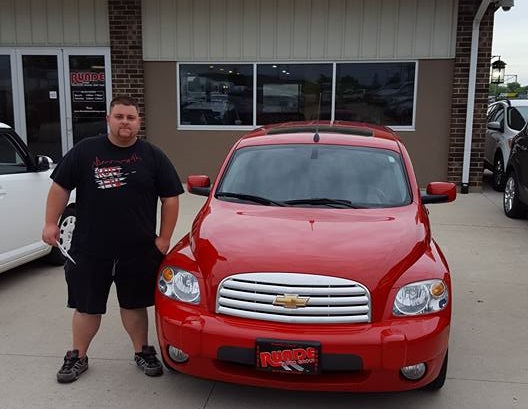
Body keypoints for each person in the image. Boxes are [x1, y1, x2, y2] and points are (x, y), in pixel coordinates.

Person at [42, 95, 184, 383]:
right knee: (86, 306)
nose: (125, 122)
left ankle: (142, 352)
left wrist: (164, 239)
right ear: (108, 119)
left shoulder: (153, 155)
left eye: (131, 117)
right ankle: (77, 356)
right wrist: (49, 223)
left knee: (134, 304)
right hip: (90, 248)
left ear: (138, 122)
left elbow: (170, 198)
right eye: (119, 116)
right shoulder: (85, 151)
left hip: (138, 249)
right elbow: (60, 187)